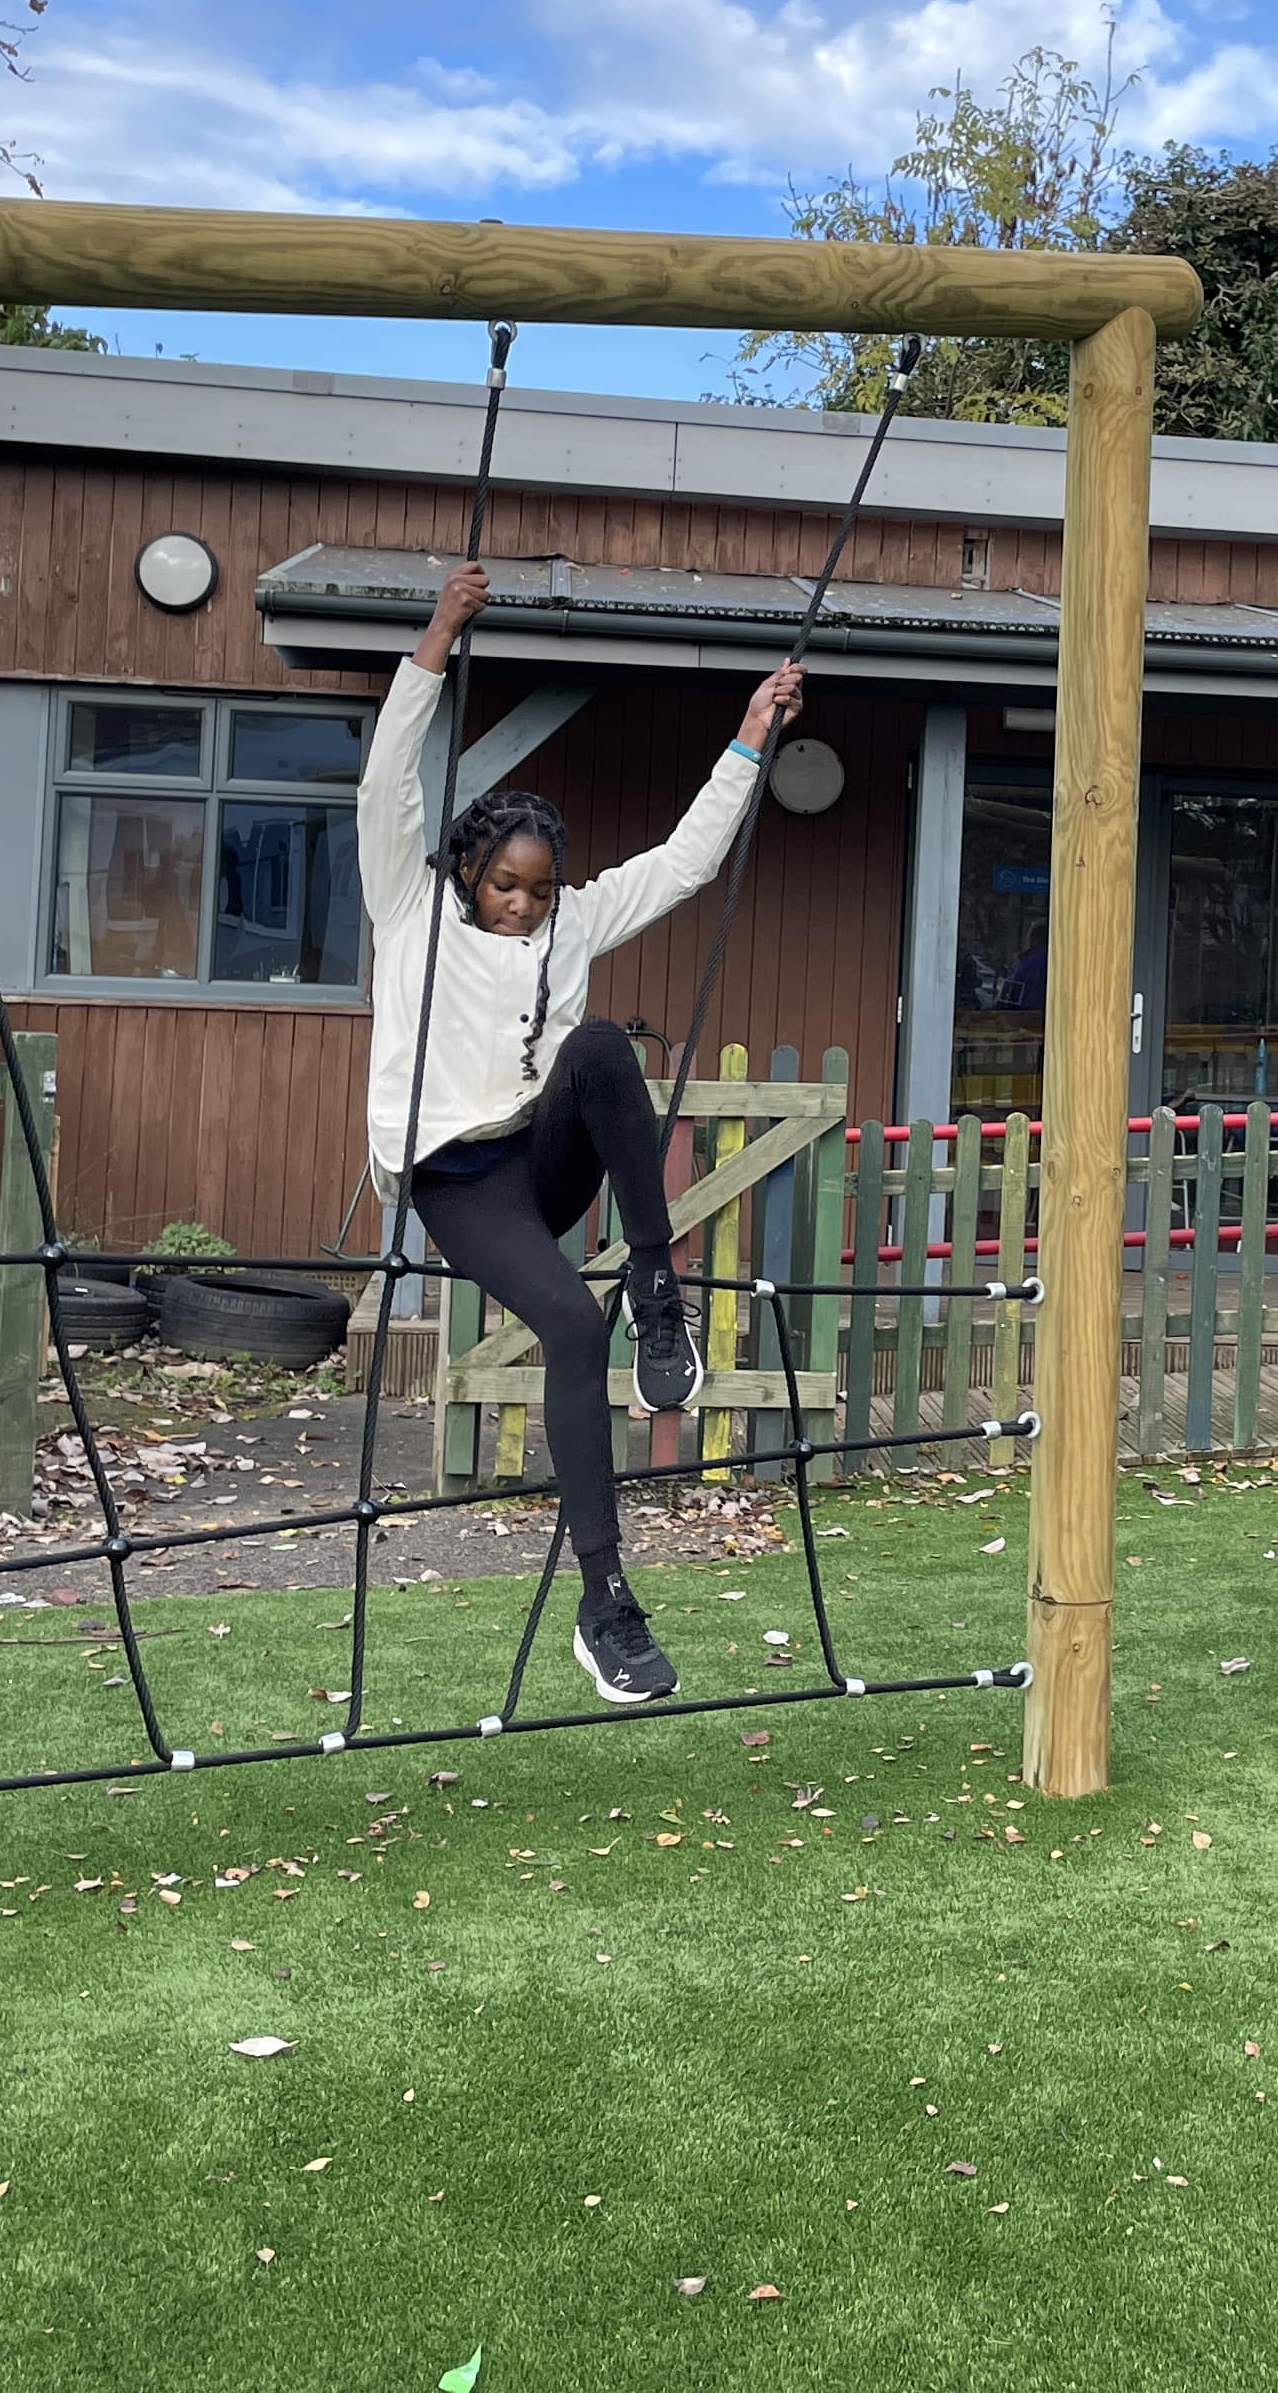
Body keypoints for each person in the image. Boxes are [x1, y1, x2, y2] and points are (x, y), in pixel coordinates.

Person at [362, 559, 806, 1706]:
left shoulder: (571, 922)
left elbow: (687, 860)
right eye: (506, 885)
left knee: (605, 1041)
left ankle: (659, 1297)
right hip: (459, 1183)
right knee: (565, 1322)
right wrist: (439, 635)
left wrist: (751, 734)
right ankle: (604, 1603)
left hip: (541, 1160)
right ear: (467, 871)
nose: (523, 904)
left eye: (541, 890)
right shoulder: (411, 912)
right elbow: (387, 788)